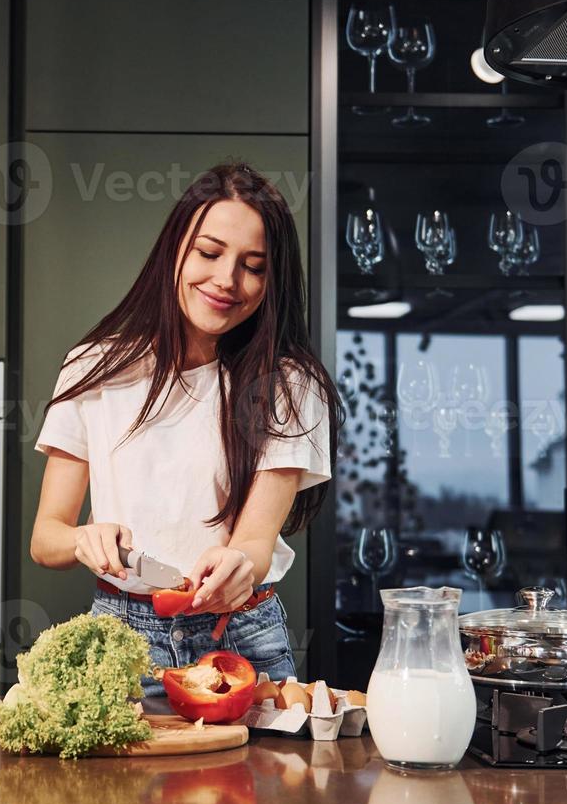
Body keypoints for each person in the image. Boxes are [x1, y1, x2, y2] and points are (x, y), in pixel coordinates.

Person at [29, 161, 342, 695]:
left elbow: (255, 541)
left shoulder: (288, 385)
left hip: (240, 638)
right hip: (120, 638)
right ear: (175, 249)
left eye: (254, 266)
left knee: (255, 781)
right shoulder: (93, 368)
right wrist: (85, 537)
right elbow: (46, 539)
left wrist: (237, 563)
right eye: (209, 252)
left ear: (273, 281)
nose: (226, 280)